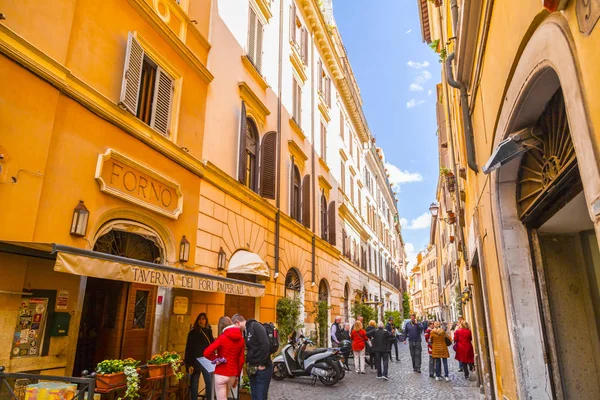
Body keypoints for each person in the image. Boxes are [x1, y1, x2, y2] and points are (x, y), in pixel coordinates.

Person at [231, 314, 272, 400]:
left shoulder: (255, 326)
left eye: (234, 326)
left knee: (261, 397)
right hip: (253, 369)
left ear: (237, 323)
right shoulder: (246, 330)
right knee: (255, 396)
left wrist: (262, 364)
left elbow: (266, 345)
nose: (234, 329)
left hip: (262, 369)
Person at [203, 316, 245, 400]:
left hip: (221, 373)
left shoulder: (222, 338)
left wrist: (216, 359)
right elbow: (241, 360)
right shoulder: (241, 339)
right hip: (232, 374)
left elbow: (206, 353)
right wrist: (237, 377)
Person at [185, 313, 214, 400]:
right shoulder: (192, 333)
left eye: (203, 319)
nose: (201, 321)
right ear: (197, 321)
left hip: (206, 360)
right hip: (195, 361)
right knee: (194, 384)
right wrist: (189, 364)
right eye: (200, 319)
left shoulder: (208, 331)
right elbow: (189, 349)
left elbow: (212, 344)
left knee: (209, 383)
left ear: (206, 321)